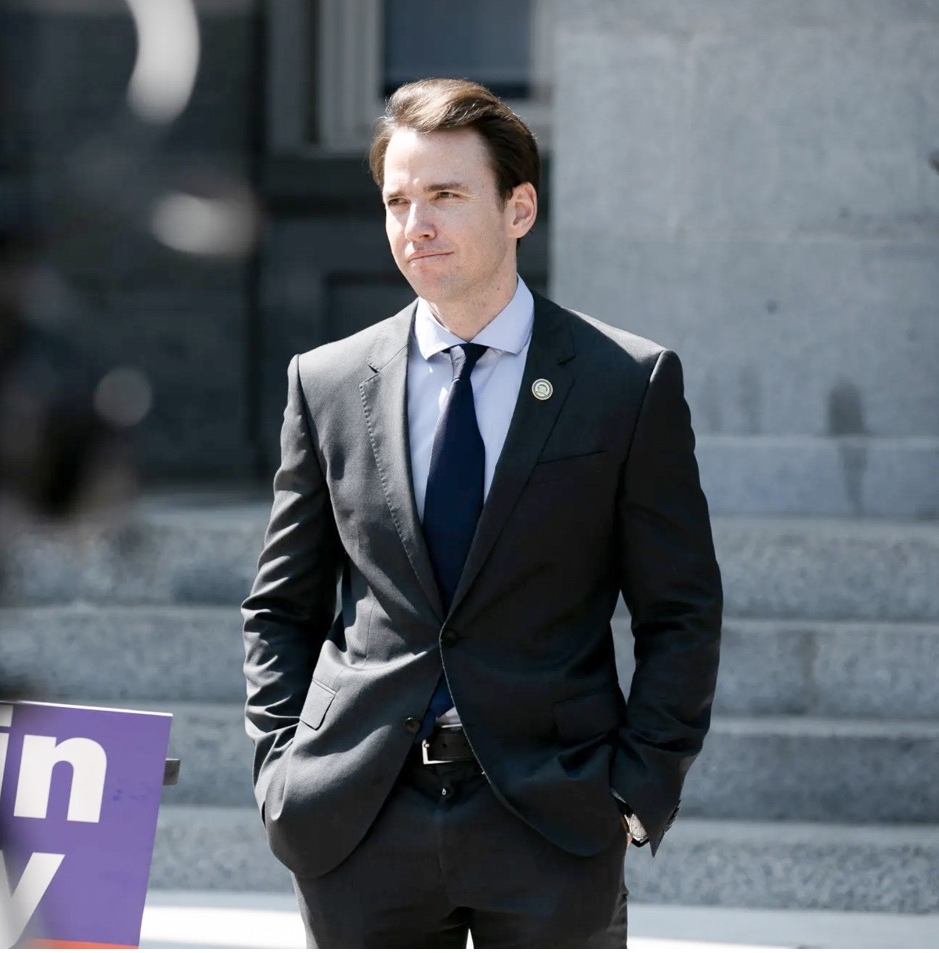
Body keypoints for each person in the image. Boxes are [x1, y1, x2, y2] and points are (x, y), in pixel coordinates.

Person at [242, 77, 722, 948]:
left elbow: (680, 609)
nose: (415, 224)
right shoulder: (327, 381)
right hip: (360, 816)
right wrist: (283, 770)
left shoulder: (626, 383)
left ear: (519, 208)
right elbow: (281, 605)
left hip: (552, 816)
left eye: (446, 195)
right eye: (398, 201)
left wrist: (638, 790)